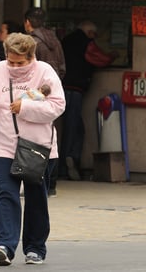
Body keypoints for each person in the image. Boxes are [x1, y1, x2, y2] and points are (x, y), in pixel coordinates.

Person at [0, 32, 65, 266]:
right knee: (5, 193)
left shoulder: (45, 71)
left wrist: (24, 108)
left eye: (20, 62)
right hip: (3, 144)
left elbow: (57, 106)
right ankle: (4, 245)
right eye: (11, 61)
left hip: (37, 145)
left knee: (36, 197)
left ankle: (35, 247)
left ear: (31, 57)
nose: (15, 66)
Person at [59, 20, 118, 181]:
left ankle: (67, 162)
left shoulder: (66, 40)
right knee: (74, 127)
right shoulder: (84, 42)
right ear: (90, 33)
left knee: (71, 126)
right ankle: (68, 162)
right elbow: (100, 58)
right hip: (74, 88)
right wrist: (113, 56)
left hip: (64, 85)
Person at [24, 7, 66, 197]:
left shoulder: (32, 42)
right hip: (55, 92)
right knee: (52, 138)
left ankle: (37, 181)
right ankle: (52, 184)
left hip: (35, 94)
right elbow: (63, 68)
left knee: (33, 138)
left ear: (28, 22)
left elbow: (27, 71)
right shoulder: (55, 40)